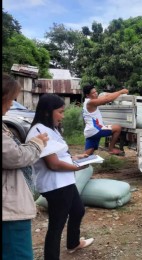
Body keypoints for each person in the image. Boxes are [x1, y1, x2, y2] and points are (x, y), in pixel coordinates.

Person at [26, 94, 94, 260]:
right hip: (55, 185)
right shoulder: (39, 131)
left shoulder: (50, 128)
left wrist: (75, 158)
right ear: (48, 112)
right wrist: (77, 167)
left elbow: (59, 154)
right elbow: (53, 164)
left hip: (65, 182)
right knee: (56, 225)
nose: (63, 116)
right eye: (60, 112)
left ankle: (73, 243)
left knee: (78, 210)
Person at [2, 73, 49, 260]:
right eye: (11, 99)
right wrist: (37, 144)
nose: (12, 105)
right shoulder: (38, 130)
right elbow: (15, 156)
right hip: (9, 209)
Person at [82, 85, 129, 156]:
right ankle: (111, 149)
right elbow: (107, 99)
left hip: (90, 132)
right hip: (97, 130)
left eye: (96, 91)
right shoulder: (91, 102)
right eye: (93, 93)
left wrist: (111, 94)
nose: (96, 93)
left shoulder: (87, 102)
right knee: (117, 128)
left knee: (87, 155)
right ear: (87, 95)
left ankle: (78, 164)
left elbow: (106, 96)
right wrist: (121, 92)